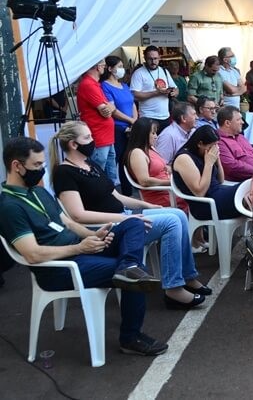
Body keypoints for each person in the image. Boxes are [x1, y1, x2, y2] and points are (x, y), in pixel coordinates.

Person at [0, 136, 168, 356]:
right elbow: (32, 254)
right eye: (37, 165)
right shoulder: (10, 207)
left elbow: (67, 222)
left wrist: (93, 236)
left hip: (80, 250)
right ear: (16, 166)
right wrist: (80, 248)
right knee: (138, 274)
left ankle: (127, 267)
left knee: (133, 223)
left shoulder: (38, 191)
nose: (42, 170)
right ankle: (130, 337)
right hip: (59, 267)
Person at [50, 122, 210, 309]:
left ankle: (187, 276)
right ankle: (173, 288)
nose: (92, 141)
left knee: (178, 214)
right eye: (87, 138)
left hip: (122, 216)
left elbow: (117, 196)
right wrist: (127, 219)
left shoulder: (90, 164)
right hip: (108, 229)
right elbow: (78, 216)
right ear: (73, 144)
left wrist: (147, 205)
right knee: (172, 221)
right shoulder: (64, 172)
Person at [172, 125, 241, 220]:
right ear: (200, 144)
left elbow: (220, 180)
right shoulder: (184, 158)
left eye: (217, 145)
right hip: (204, 204)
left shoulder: (205, 155)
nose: (215, 149)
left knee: (250, 189)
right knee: (247, 190)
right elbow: (199, 192)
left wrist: (217, 159)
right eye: (211, 146)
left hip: (218, 193)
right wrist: (208, 164)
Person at [77, 59, 118, 185]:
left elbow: (111, 107)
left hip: (105, 137)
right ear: (97, 67)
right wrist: (110, 107)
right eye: (103, 65)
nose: (105, 67)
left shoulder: (95, 84)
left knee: (110, 174)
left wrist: (110, 107)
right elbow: (106, 110)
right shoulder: (88, 84)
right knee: (99, 173)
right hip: (98, 136)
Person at [101, 55, 137, 196]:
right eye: (119, 67)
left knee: (126, 159)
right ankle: (110, 192)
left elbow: (132, 103)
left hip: (130, 126)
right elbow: (113, 110)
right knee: (115, 159)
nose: (122, 70)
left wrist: (135, 119)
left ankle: (127, 191)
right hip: (117, 127)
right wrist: (130, 120)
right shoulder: (104, 86)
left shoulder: (124, 85)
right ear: (110, 69)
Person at [130, 46, 178, 132]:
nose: (153, 62)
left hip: (165, 116)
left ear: (160, 57)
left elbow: (175, 89)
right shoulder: (138, 73)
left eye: (155, 58)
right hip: (148, 116)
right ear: (145, 58)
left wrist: (174, 92)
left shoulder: (164, 71)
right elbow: (134, 95)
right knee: (149, 144)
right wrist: (156, 93)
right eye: (150, 59)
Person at [216, 106, 253, 182]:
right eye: (238, 120)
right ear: (227, 123)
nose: (242, 122)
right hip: (245, 181)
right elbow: (231, 166)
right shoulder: (219, 142)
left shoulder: (240, 137)